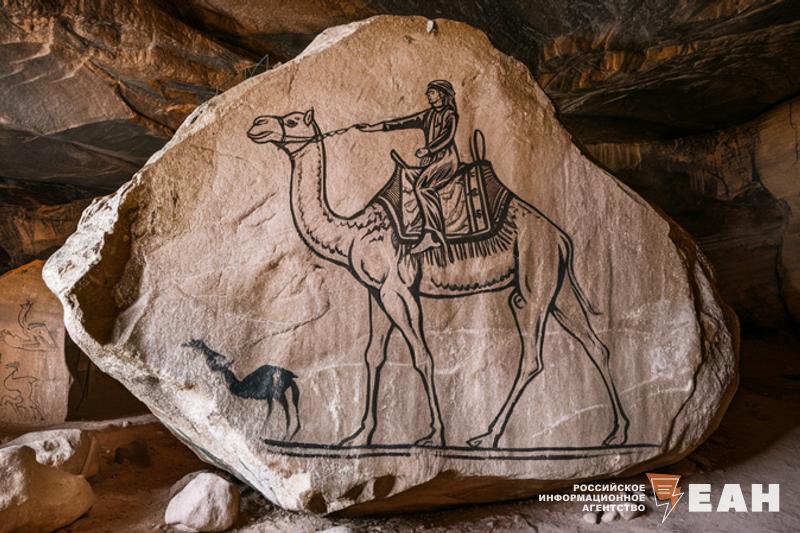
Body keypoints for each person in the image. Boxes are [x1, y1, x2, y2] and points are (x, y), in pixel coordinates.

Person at [358, 80, 460, 254]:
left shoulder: (450, 115)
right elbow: (402, 122)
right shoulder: (428, 115)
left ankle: (432, 234)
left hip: (446, 160)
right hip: (431, 160)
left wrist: (429, 150)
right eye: (428, 93)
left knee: (422, 187)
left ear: (442, 94)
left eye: (432, 92)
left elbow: (447, 137)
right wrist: (372, 128)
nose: (428, 95)